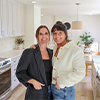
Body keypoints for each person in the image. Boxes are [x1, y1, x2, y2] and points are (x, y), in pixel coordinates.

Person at [16, 25, 53, 100]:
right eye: (41, 34)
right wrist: (33, 82)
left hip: (52, 93)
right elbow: (20, 72)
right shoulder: (29, 52)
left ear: (49, 36)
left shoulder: (52, 53)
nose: (44, 36)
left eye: (46, 33)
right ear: (37, 36)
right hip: (37, 93)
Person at [51, 22, 86, 100]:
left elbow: (80, 73)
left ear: (65, 34)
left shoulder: (75, 50)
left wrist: (60, 82)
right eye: (54, 33)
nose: (57, 36)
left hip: (65, 89)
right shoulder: (55, 48)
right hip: (53, 87)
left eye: (60, 33)